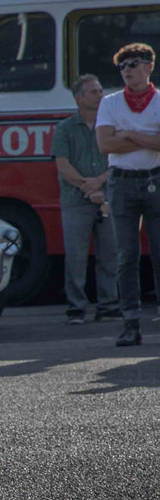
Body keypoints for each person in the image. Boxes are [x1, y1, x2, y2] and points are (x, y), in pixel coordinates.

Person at [95, 43, 160, 346]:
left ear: (149, 67)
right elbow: (105, 145)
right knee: (127, 255)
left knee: (159, 253)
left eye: (133, 64)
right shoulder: (109, 103)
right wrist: (148, 138)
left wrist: (128, 134)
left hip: (154, 181)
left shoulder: (159, 101)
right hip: (121, 183)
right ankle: (131, 323)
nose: (126, 70)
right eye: (122, 66)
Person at [54, 74, 118, 324]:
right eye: (94, 92)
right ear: (79, 98)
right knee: (75, 257)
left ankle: (109, 306)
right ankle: (76, 308)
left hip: (109, 198)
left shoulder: (112, 126)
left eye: (101, 90)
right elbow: (63, 165)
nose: (101, 95)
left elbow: (117, 160)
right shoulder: (64, 129)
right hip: (75, 200)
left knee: (110, 255)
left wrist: (99, 183)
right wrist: (88, 188)